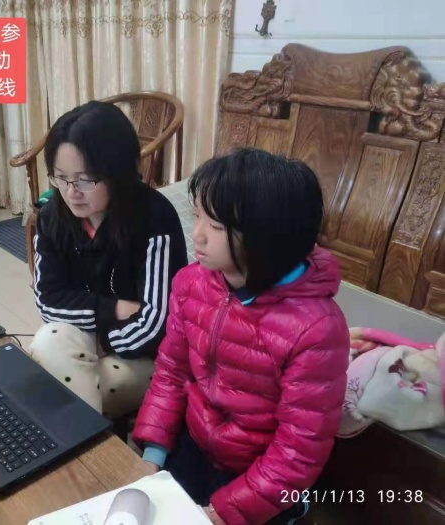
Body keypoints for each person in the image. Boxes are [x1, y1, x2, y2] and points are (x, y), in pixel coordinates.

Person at [132, 148, 350, 525]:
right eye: (197, 216)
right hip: (195, 445)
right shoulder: (190, 283)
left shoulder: (317, 329)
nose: (197, 235)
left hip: (260, 473)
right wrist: (152, 455)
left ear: (267, 234)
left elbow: (298, 450)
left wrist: (220, 513)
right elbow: (170, 372)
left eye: (216, 226)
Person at [28, 100, 188, 419]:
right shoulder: (52, 218)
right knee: (48, 342)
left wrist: (103, 343)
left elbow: (157, 323)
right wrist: (114, 308)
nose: (71, 192)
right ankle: (89, 441)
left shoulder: (154, 219)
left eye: (85, 180)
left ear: (117, 173)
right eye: (61, 178)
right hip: (93, 334)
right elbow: (48, 302)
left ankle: (81, 443)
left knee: (55, 384)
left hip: (147, 355)